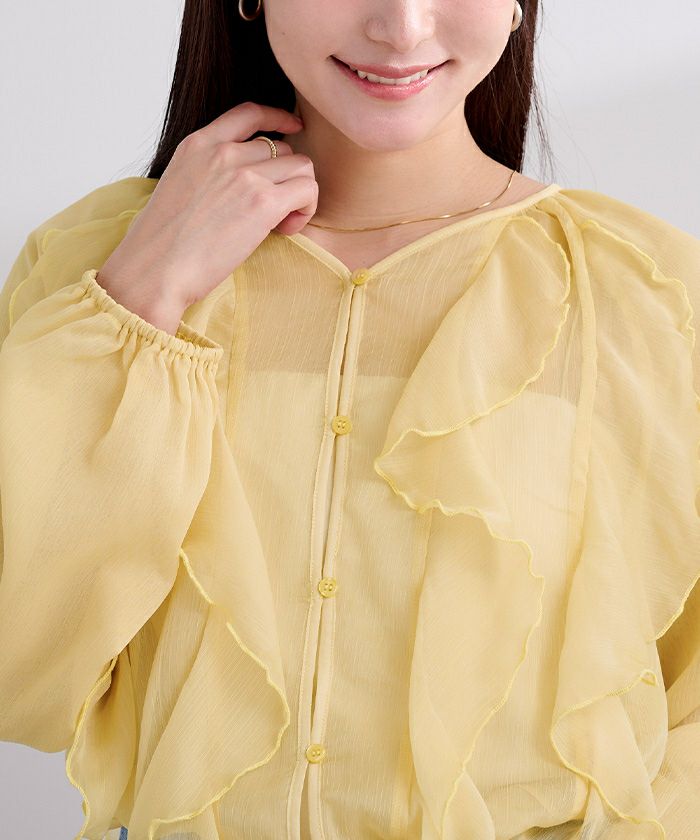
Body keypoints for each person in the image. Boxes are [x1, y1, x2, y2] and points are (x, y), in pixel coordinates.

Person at [0, 1, 698, 838]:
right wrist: (145, 294)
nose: (401, 27)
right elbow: (20, 664)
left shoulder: (650, 293)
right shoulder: (95, 264)